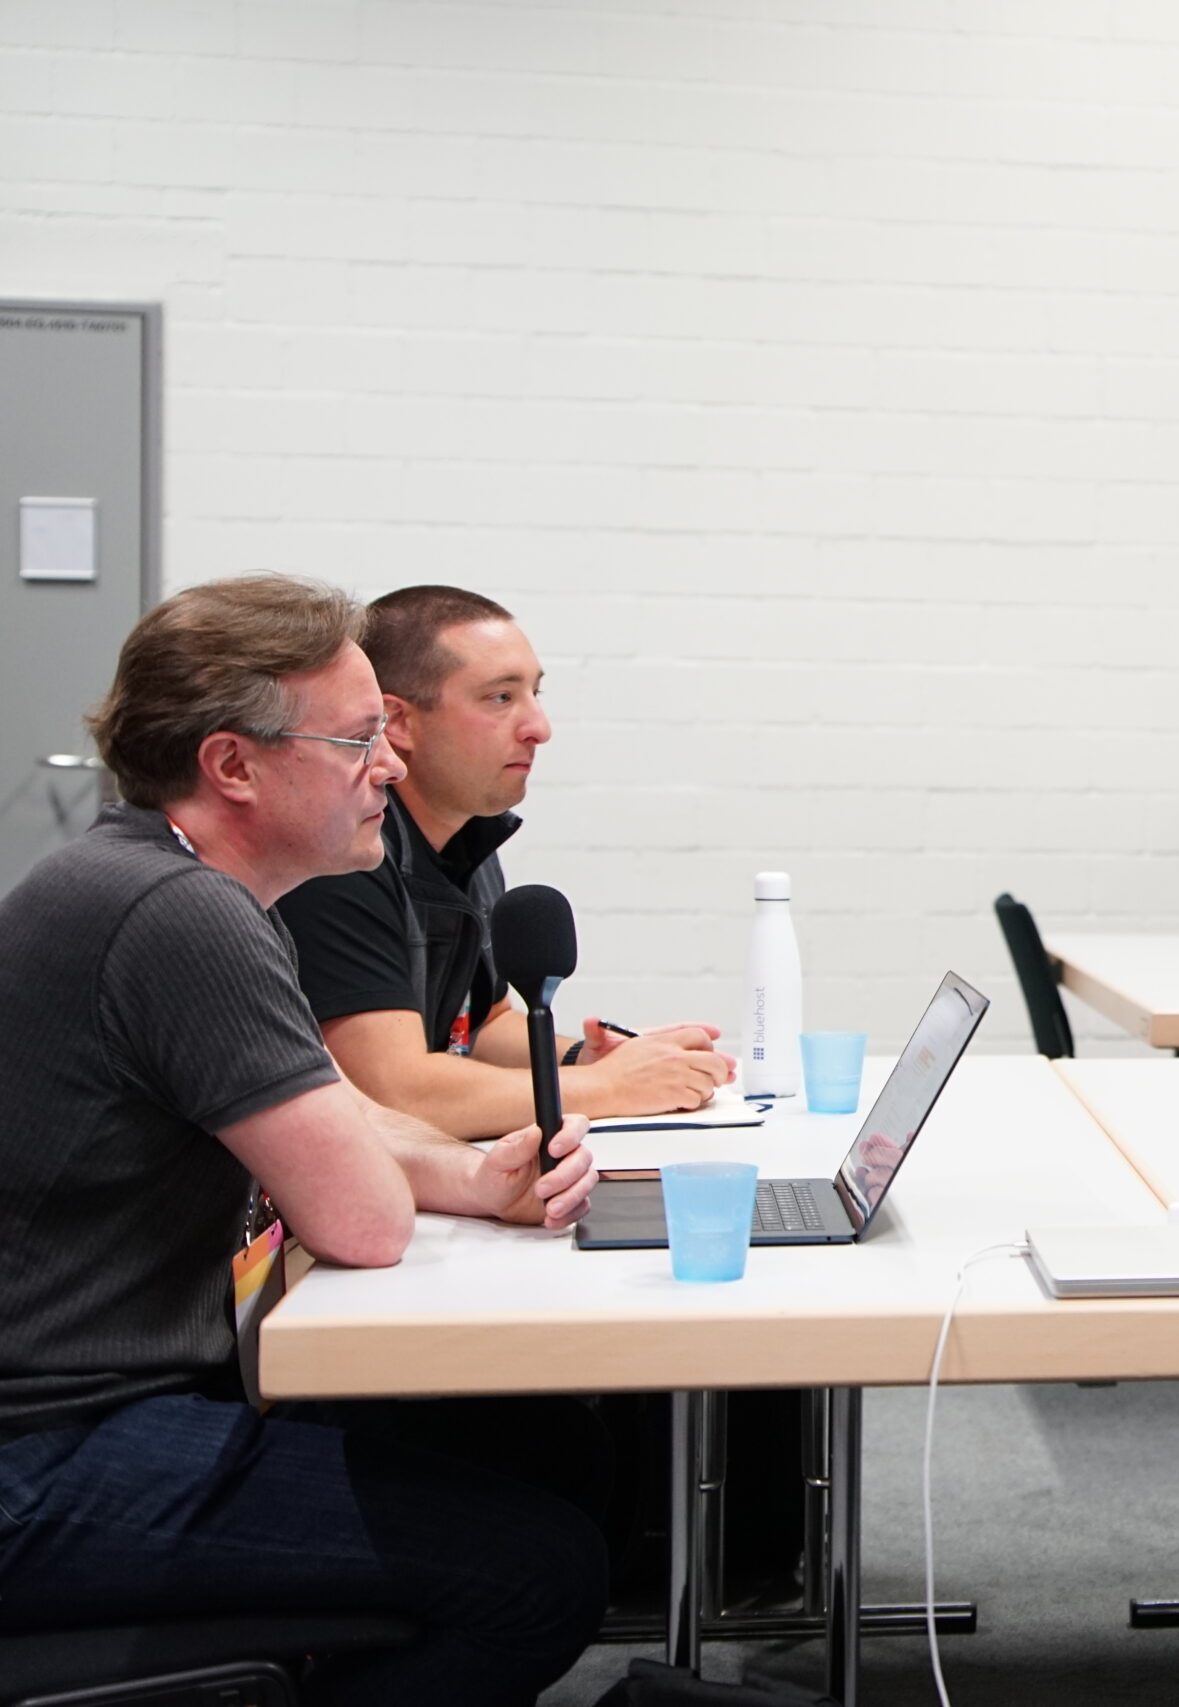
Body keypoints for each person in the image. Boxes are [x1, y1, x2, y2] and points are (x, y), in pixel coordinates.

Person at [0, 575, 607, 1705]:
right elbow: (364, 1222)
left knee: (517, 1458)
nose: (389, 766)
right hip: (45, 1453)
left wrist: (479, 1176)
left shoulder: (164, 880)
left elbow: (338, 1112)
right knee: (539, 1571)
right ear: (233, 764)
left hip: (92, 1409)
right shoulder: (181, 915)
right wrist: (434, 1176)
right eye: (359, 738)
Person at [275, 584, 730, 1139]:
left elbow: (482, 1025)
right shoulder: (345, 851)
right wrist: (611, 1086)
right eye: (500, 698)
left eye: (535, 693)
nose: (540, 727)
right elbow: (395, 1092)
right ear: (398, 722)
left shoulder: (464, 835)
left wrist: (584, 1059)